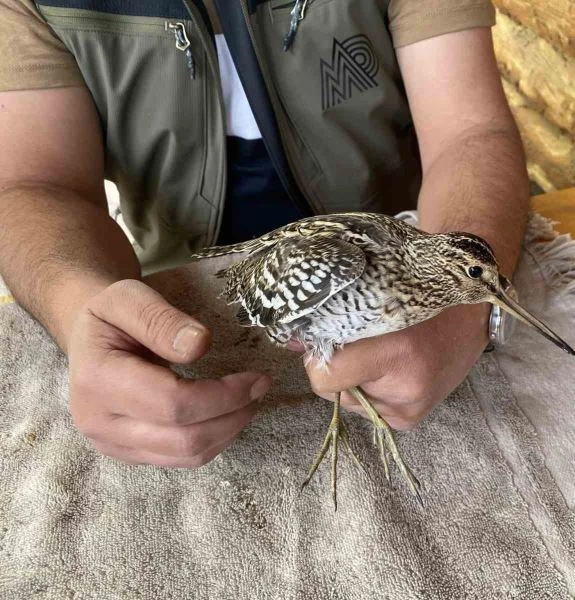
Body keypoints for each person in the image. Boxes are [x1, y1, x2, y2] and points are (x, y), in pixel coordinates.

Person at [0, 0, 528, 468]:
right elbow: (35, 184)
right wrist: (81, 311)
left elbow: (470, 130)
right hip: (182, 295)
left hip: (400, 265)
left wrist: (468, 314)